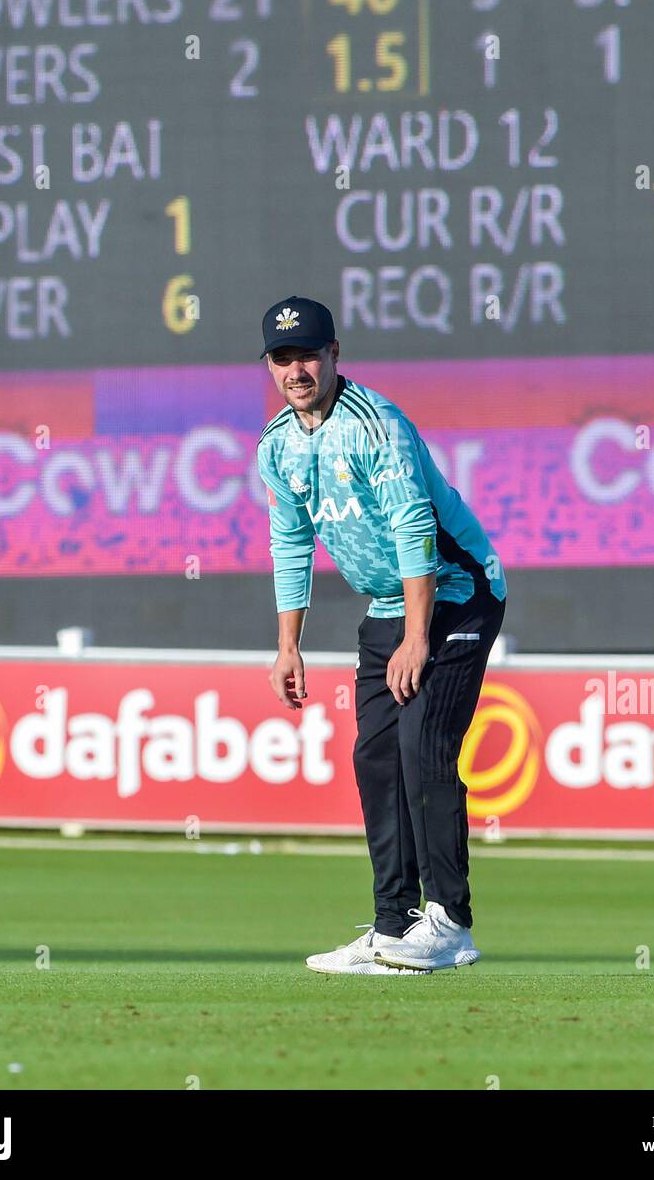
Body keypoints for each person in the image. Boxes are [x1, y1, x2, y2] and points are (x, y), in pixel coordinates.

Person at [256, 296, 507, 975]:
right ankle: (393, 926)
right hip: (389, 607)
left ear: (334, 354)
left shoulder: (377, 425)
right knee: (376, 758)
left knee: (423, 746)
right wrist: (288, 646)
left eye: (308, 355)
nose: (296, 370)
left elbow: (413, 526)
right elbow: (291, 543)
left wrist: (418, 637)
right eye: (282, 359)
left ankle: (449, 924)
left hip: (458, 594)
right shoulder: (277, 445)